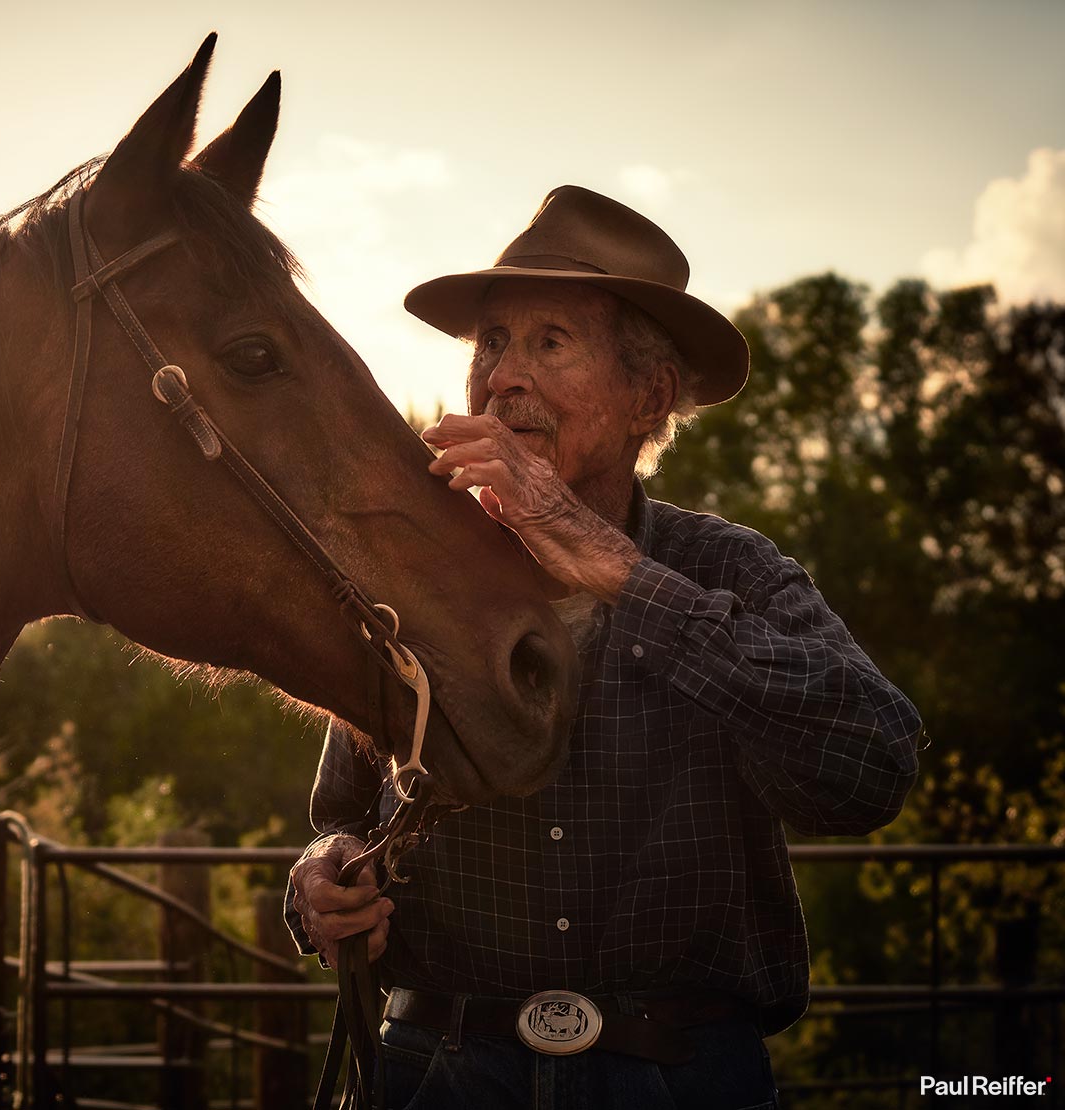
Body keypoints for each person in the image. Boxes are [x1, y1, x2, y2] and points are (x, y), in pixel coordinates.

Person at [285, 186, 922, 1109]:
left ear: (648, 396)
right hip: (441, 1071)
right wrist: (322, 881)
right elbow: (336, 814)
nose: (503, 376)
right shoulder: (410, 578)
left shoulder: (731, 569)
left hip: (682, 1081)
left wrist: (624, 577)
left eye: (550, 342)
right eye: (492, 342)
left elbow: (872, 766)